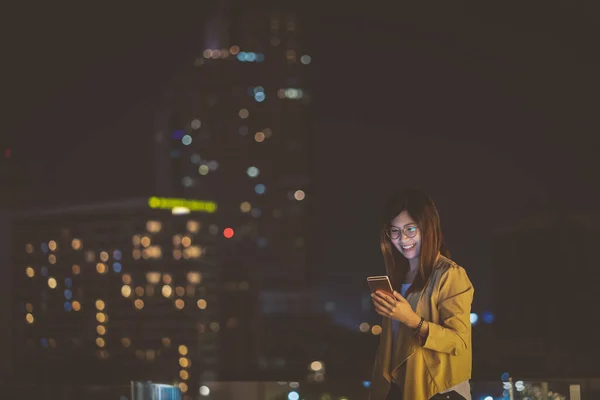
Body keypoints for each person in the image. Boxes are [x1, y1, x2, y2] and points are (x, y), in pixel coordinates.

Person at [369, 188, 474, 400]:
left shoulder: (450, 274)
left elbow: (459, 342)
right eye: (395, 231)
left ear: (427, 228)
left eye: (410, 229)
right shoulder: (399, 276)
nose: (402, 239)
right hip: (401, 388)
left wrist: (413, 321)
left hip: (440, 392)